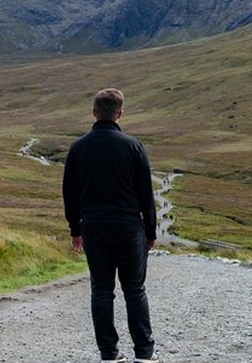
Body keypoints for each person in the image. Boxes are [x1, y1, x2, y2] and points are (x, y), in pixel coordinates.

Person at [62, 88, 160, 363]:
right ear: (120, 114)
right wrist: (150, 231)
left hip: (94, 227)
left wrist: (75, 228)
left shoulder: (78, 147)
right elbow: (146, 194)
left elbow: (69, 192)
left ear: (94, 112)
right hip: (129, 228)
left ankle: (108, 354)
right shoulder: (133, 146)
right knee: (135, 289)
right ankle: (144, 354)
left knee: (101, 290)